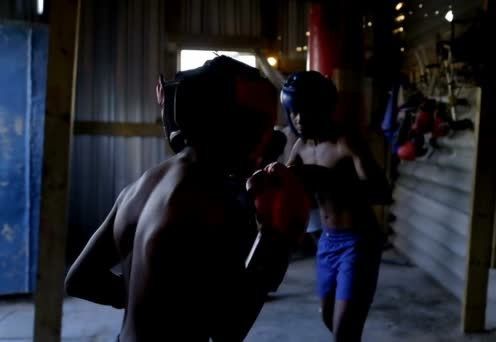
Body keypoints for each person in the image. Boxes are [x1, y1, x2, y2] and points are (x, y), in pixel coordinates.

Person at [65, 56, 310, 342]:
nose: (268, 142)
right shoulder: (209, 202)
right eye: (261, 128)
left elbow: (80, 279)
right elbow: (226, 329)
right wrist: (275, 241)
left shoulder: (140, 186)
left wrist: (144, 299)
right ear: (234, 127)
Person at [282, 71, 391, 341]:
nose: (299, 118)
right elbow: (286, 189)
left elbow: (382, 192)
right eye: (294, 111)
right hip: (328, 241)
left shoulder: (346, 141)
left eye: (306, 111)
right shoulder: (300, 147)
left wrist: (331, 180)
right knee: (329, 317)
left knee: (345, 330)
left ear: (323, 109)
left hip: (359, 241)